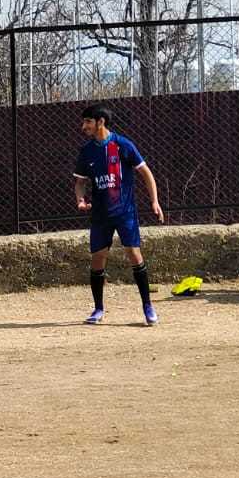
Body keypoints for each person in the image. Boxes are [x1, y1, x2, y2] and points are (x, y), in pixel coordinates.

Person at [72, 105, 165, 326]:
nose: (83, 126)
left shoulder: (123, 145)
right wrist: (80, 199)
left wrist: (154, 201)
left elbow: (146, 173)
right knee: (98, 258)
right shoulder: (86, 151)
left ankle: (148, 307)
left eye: (88, 121)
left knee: (134, 254)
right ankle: (98, 309)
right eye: (84, 122)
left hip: (125, 212)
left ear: (101, 122)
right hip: (100, 214)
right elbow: (80, 182)